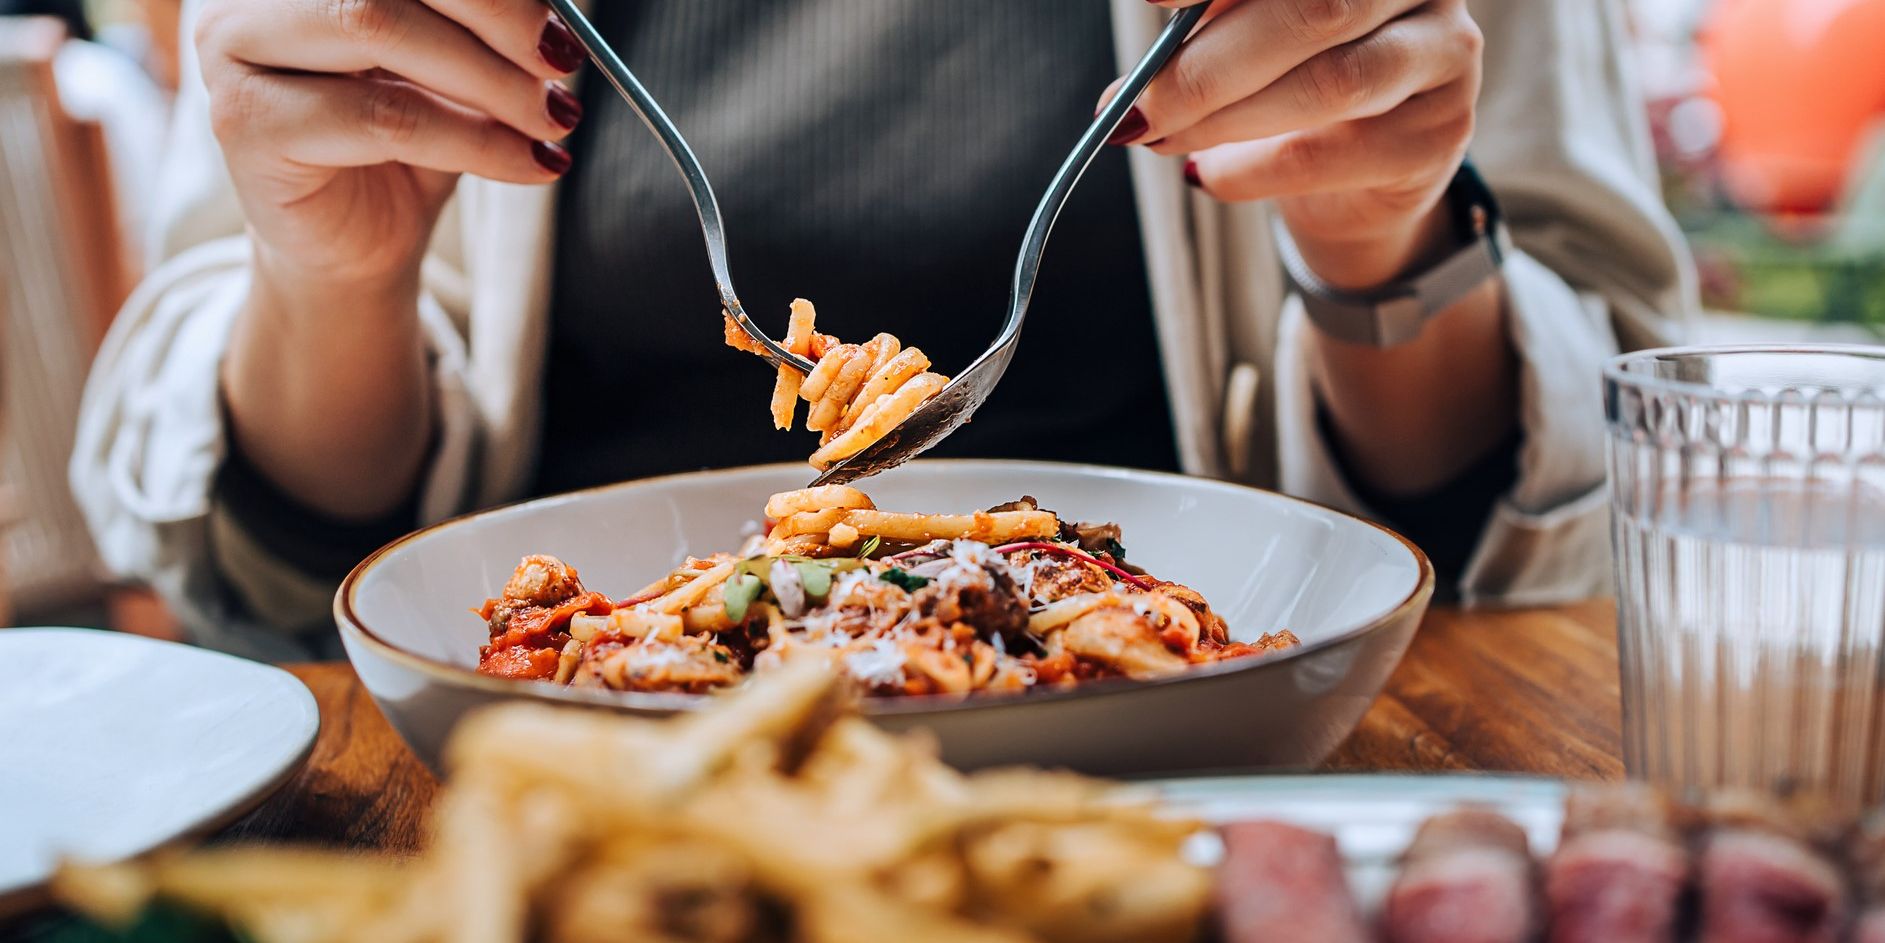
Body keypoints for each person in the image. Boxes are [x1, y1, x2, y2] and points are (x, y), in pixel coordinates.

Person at [70, 0, 1696, 660]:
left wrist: (1375, 241)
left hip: (1203, 755)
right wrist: (335, 278)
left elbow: (1560, 496)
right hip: (553, 768)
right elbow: (284, 572)